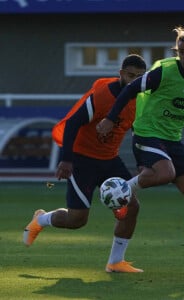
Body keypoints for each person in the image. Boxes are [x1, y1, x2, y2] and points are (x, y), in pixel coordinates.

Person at [96, 26, 184, 272]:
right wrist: (109, 119)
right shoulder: (164, 72)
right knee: (166, 172)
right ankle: (120, 194)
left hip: (171, 138)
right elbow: (130, 89)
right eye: (182, 51)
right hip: (147, 132)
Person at [23, 54, 147, 273]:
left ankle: (115, 261)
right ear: (121, 74)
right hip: (83, 159)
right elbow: (73, 123)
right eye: (130, 76)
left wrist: (142, 162)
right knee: (77, 219)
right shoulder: (102, 95)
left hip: (110, 159)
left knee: (132, 206)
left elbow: (139, 133)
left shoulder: (140, 100)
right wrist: (67, 160)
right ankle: (41, 220)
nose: (134, 81)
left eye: (139, 77)